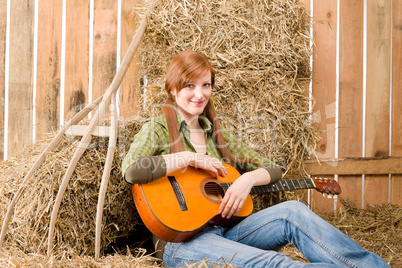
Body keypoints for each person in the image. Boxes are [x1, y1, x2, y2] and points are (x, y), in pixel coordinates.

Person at [122, 50, 389, 267]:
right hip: (182, 243)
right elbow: (132, 170)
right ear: (173, 89)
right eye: (190, 85)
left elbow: (274, 169)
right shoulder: (157, 128)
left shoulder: (217, 135)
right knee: (275, 262)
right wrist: (187, 157)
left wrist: (247, 180)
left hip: (226, 232)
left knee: (293, 212)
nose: (199, 94)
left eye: (206, 85)